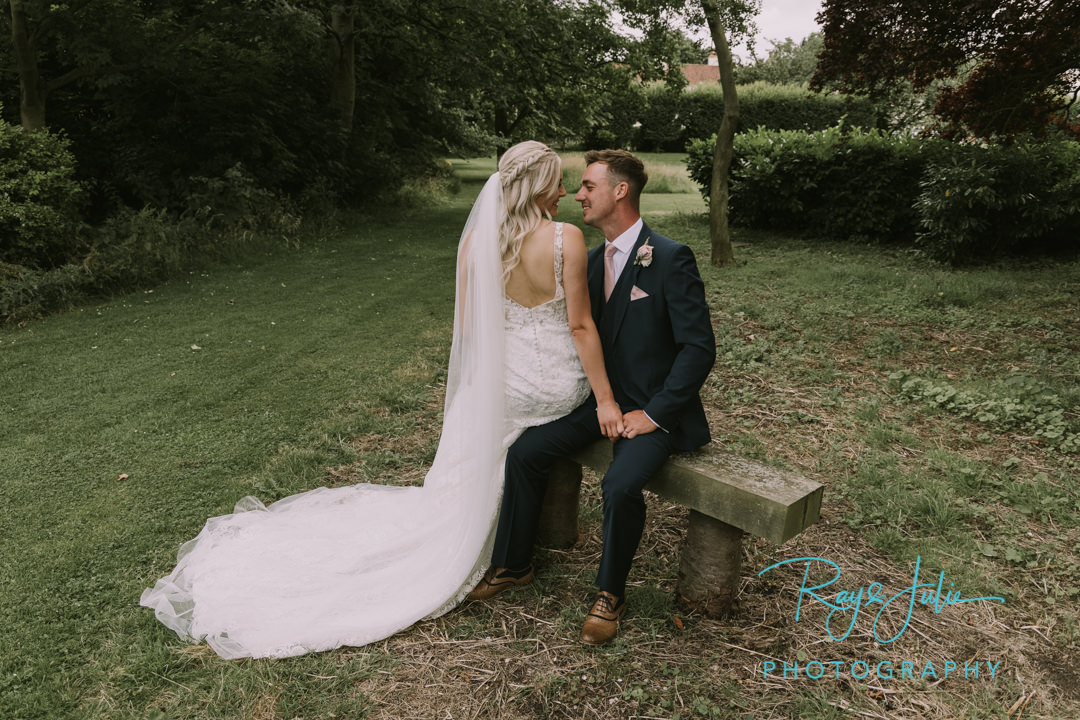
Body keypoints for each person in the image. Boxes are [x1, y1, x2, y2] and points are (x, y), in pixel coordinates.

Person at [139, 141, 623, 659]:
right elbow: (578, 325)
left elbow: (470, 332)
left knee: (471, 439)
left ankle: (474, 533)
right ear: (540, 186)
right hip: (551, 386)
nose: (565, 192)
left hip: (498, 384)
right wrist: (605, 399)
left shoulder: (478, 241)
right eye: (558, 182)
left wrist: (481, 386)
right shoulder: (566, 238)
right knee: (530, 422)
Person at [467, 149, 716, 646]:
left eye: (588, 186)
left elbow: (698, 348)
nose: (577, 194)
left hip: (650, 410)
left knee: (621, 485)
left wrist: (655, 413)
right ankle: (514, 562)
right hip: (596, 401)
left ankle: (610, 594)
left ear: (619, 191)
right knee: (525, 453)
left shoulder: (668, 257)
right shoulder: (586, 254)